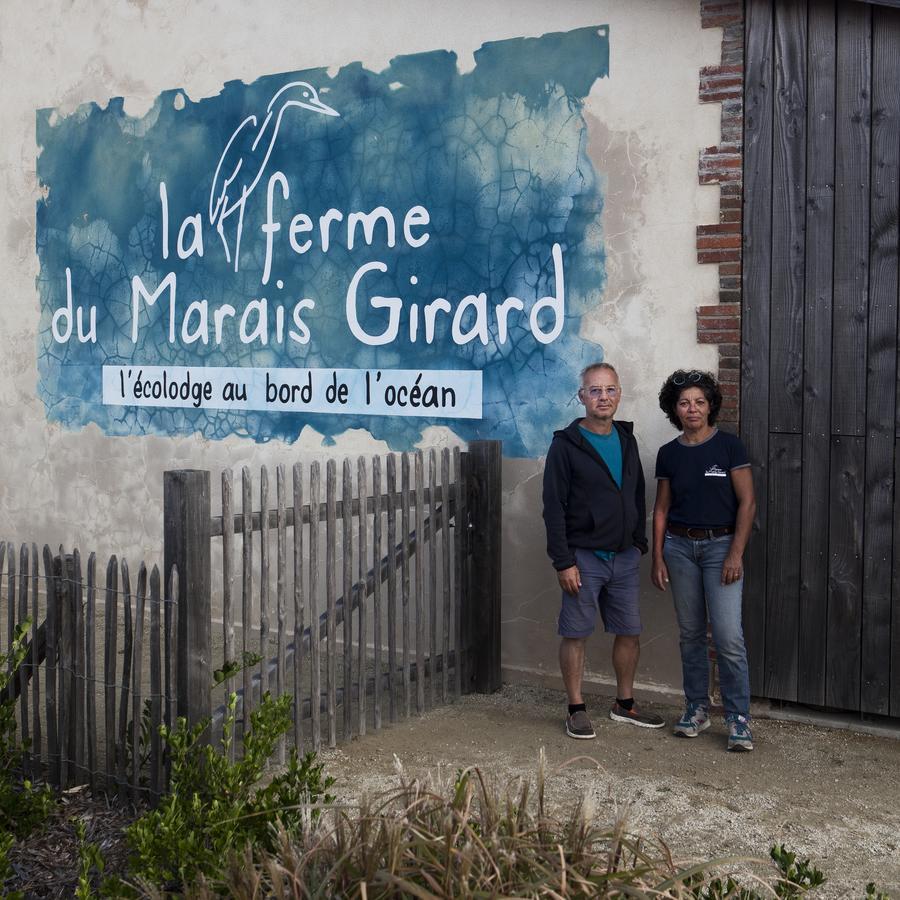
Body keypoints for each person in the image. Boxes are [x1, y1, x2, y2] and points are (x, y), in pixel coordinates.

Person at [542, 362, 664, 739]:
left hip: (624, 556)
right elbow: (553, 507)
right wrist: (564, 561)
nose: (603, 397)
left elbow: (636, 491)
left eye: (610, 390)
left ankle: (624, 704)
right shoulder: (566, 444)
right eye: (595, 391)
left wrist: (638, 542)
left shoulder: (626, 439)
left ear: (619, 394)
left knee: (629, 631)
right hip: (583, 557)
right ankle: (576, 708)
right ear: (582, 397)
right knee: (576, 632)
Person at [651, 369, 756, 752]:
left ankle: (738, 718)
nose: (692, 408)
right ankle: (696, 708)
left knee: (728, 637)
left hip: (720, 549)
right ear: (674, 409)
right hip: (679, 549)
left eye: (699, 401)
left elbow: (747, 502)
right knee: (691, 634)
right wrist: (658, 556)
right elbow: (661, 510)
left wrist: (735, 553)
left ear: (710, 406)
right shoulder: (669, 453)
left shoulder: (729, 447)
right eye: (684, 402)